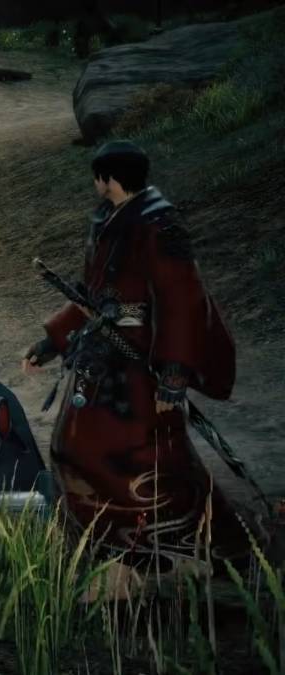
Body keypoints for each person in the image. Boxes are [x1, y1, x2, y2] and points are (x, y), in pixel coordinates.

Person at [21, 140, 258, 600]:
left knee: (147, 460)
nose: (95, 184)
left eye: (98, 176)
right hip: (103, 356)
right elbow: (90, 297)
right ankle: (122, 556)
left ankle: (188, 553)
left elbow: (182, 299)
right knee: (76, 449)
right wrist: (51, 342)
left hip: (141, 362)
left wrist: (174, 372)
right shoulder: (108, 220)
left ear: (109, 178)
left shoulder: (158, 224)